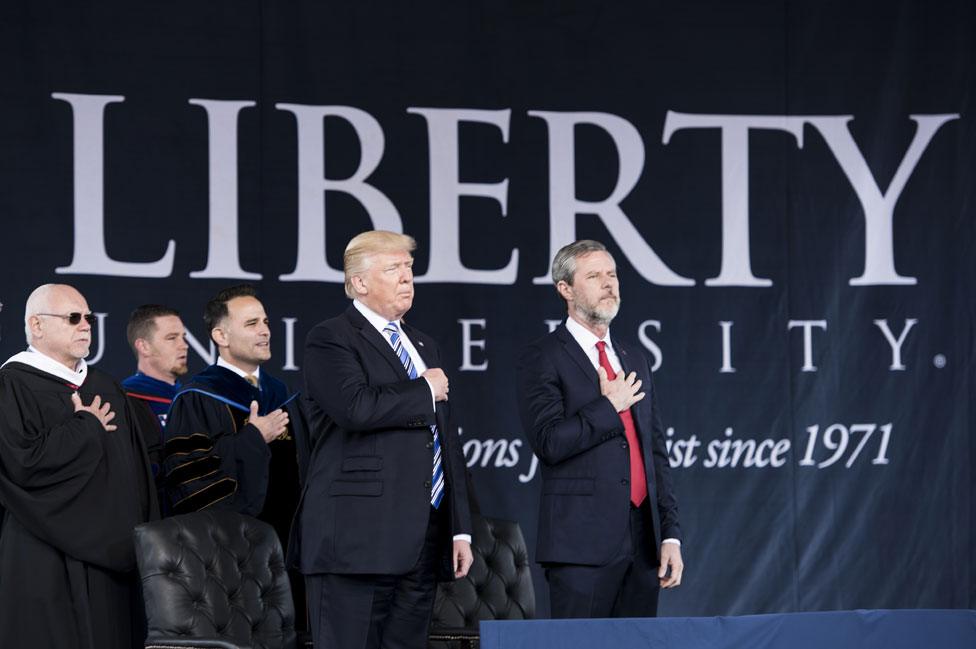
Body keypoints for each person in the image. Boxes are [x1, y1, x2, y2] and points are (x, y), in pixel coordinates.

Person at [294, 230, 473, 649]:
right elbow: (355, 408)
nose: (407, 277)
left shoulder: (424, 344)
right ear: (359, 282)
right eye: (394, 268)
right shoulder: (331, 337)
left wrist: (459, 527)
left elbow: (446, 440)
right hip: (356, 541)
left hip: (422, 538)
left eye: (409, 268)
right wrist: (424, 391)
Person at [515, 240, 683, 619]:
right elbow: (549, 442)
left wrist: (669, 533)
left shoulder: (633, 356)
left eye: (612, 274)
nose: (609, 283)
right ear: (566, 289)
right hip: (580, 547)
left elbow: (655, 452)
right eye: (594, 276)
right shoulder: (543, 357)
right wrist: (609, 406)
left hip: (643, 543)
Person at [0, 284, 157, 648]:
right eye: (73, 318)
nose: (86, 325)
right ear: (36, 325)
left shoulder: (106, 386)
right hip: (44, 559)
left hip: (113, 566)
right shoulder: (12, 385)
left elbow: (136, 475)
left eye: (88, 317)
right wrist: (83, 429)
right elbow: (20, 466)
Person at [160, 284, 307, 626]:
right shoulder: (198, 397)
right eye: (252, 323)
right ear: (221, 335)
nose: (266, 330)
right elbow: (188, 479)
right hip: (229, 555)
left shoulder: (280, 394)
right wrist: (254, 438)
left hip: (288, 551)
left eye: (266, 321)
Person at [122, 304, 189, 507]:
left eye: (183, 337)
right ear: (144, 346)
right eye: (172, 338)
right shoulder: (125, 402)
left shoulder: (193, 399)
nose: (184, 345)